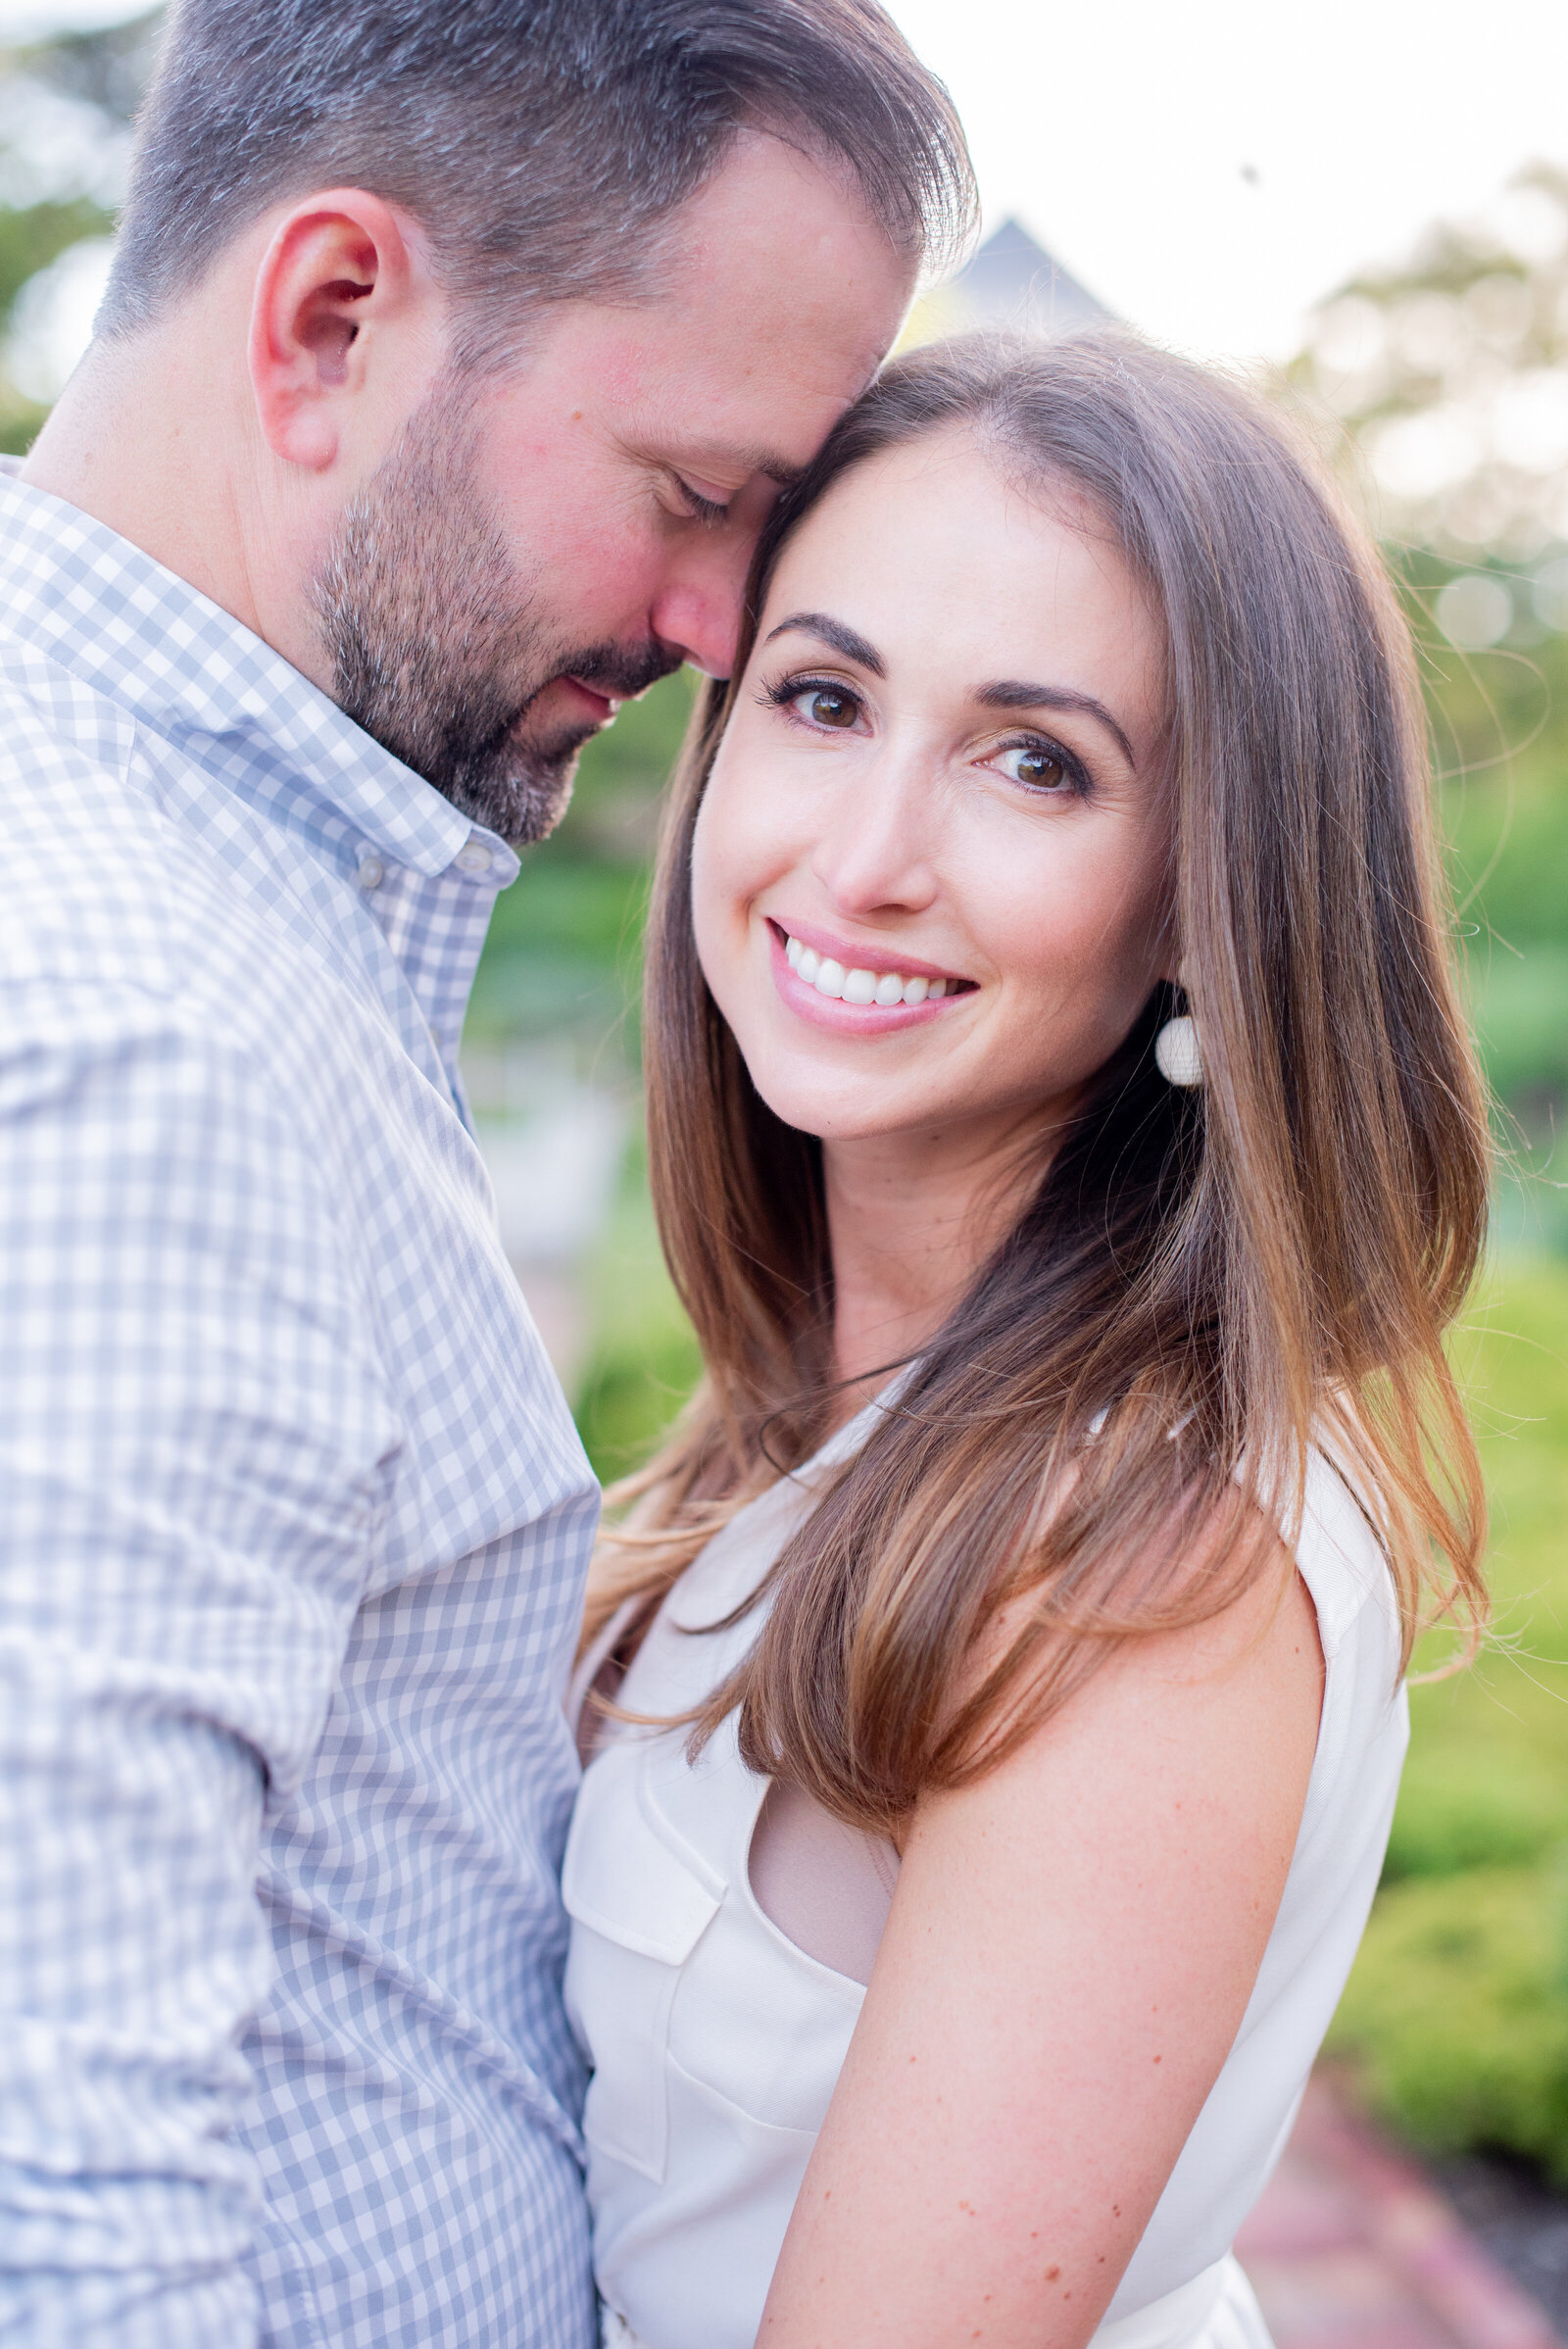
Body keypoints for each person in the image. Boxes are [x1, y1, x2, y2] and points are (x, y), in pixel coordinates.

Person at [0, 1, 973, 2339]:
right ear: (335, 318)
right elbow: (69, 2216)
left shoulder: (218, 906)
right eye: (694, 492)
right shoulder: (147, 1027)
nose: (723, 635)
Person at [567, 332, 1492, 2349]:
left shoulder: (1136, 1564)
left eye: (1031, 757)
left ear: (1199, 902)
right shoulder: (845, 1416)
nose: (865, 849)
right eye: (821, 698)